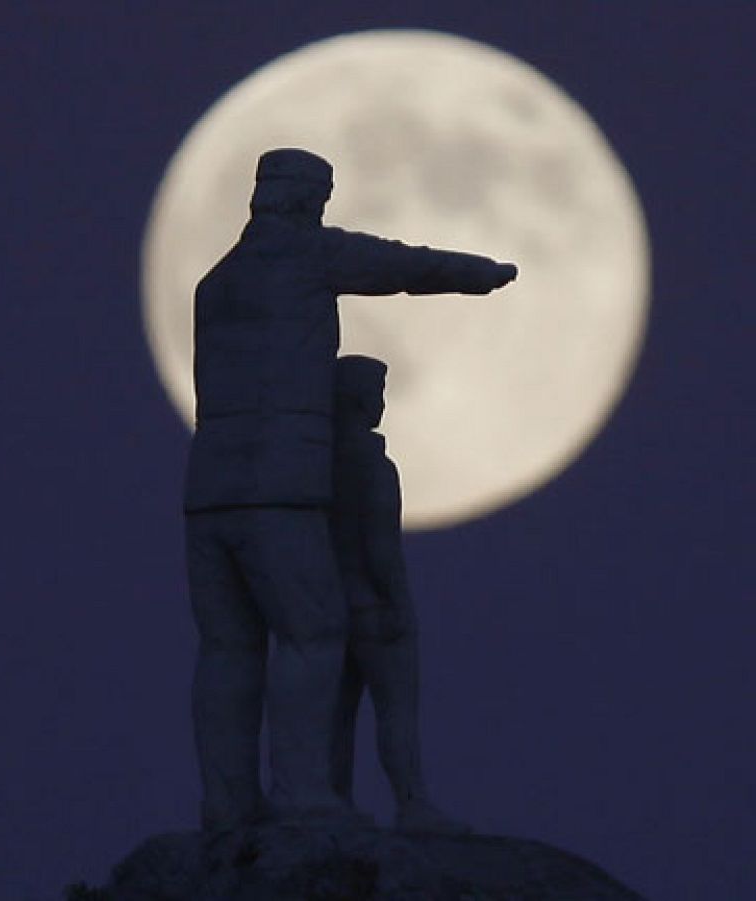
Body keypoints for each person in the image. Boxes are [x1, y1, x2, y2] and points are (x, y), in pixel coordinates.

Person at [184, 148, 516, 831]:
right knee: (314, 631)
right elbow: (398, 265)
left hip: (210, 489)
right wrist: (479, 275)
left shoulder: (214, 283)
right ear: (308, 199)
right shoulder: (306, 258)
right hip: (281, 485)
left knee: (228, 648)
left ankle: (228, 803)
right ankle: (303, 795)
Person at [327, 356, 470, 834]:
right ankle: (412, 803)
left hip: (330, 606)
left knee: (336, 715)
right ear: (360, 400)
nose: (381, 403)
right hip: (374, 606)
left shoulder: (315, 467)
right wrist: (398, 603)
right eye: (376, 392)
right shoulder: (373, 467)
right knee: (396, 710)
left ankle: (335, 801)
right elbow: (381, 546)